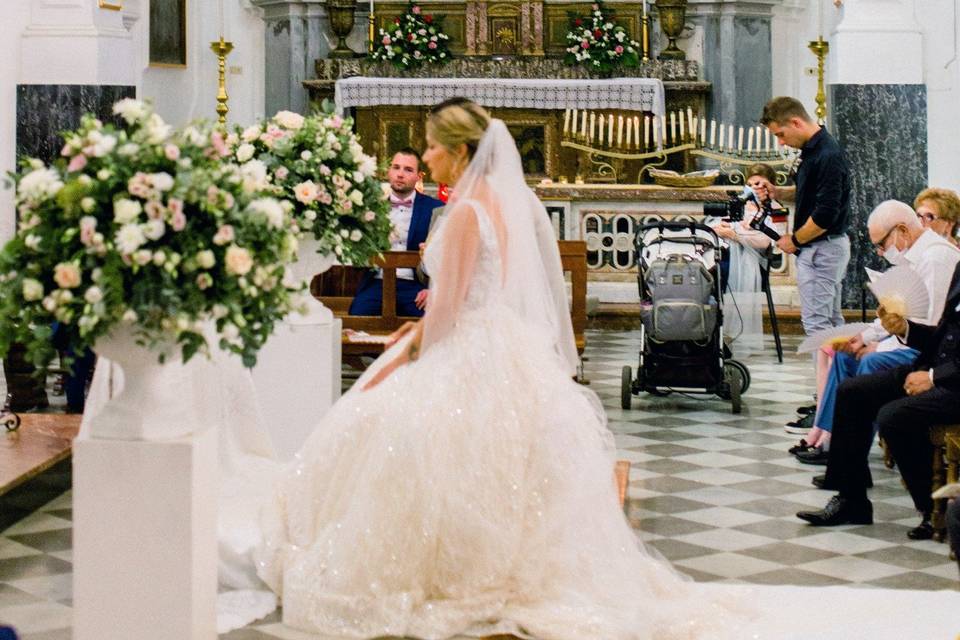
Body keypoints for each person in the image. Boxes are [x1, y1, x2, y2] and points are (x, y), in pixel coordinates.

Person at [217, 98, 740, 638]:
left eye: (432, 146)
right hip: (498, 340)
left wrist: (406, 354)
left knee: (398, 433)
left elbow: (447, 306)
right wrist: (415, 332)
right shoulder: (501, 201)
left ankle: (447, 570)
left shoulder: (466, 211)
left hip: (467, 342)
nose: (425, 155)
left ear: (460, 152)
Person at [796, 260, 960, 536]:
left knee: (894, 417)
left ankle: (933, 510)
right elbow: (943, 336)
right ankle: (852, 500)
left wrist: (933, 378)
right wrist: (904, 328)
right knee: (852, 392)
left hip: (953, 384)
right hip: (938, 371)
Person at [793, 200, 960, 469]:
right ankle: (830, 439)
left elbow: (933, 326)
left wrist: (879, 347)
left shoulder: (936, 258)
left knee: (870, 363)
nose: (881, 253)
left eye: (882, 244)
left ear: (902, 231)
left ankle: (848, 456)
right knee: (845, 356)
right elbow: (898, 313)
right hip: (915, 341)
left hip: (932, 353)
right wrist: (867, 337)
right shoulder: (914, 255)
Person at [761, 97, 851, 336]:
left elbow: (825, 214)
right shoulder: (813, 150)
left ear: (796, 122)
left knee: (817, 325)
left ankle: (825, 375)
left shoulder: (827, 154)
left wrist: (796, 240)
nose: (781, 143)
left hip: (822, 248)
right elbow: (809, 194)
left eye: (781, 134)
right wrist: (778, 191)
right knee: (831, 323)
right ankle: (837, 375)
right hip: (824, 247)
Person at [348, 148, 444, 318]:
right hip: (376, 282)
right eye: (396, 167)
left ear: (418, 176)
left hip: (415, 285)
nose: (400, 174)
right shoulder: (370, 204)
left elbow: (446, 256)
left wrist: (434, 290)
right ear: (388, 171)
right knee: (356, 316)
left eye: (408, 170)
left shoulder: (434, 208)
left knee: (432, 321)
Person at [710, 163, 781, 352]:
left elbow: (766, 241)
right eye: (751, 184)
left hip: (752, 262)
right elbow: (721, 226)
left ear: (770, 185)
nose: (755, 188)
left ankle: (719, 336)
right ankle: (705, 332)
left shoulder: (774, 209)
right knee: (702, 272)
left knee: (713, 275)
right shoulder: (743, 205)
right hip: (728, 254)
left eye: (759, 183)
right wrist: (726, 229)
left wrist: (735, 234)